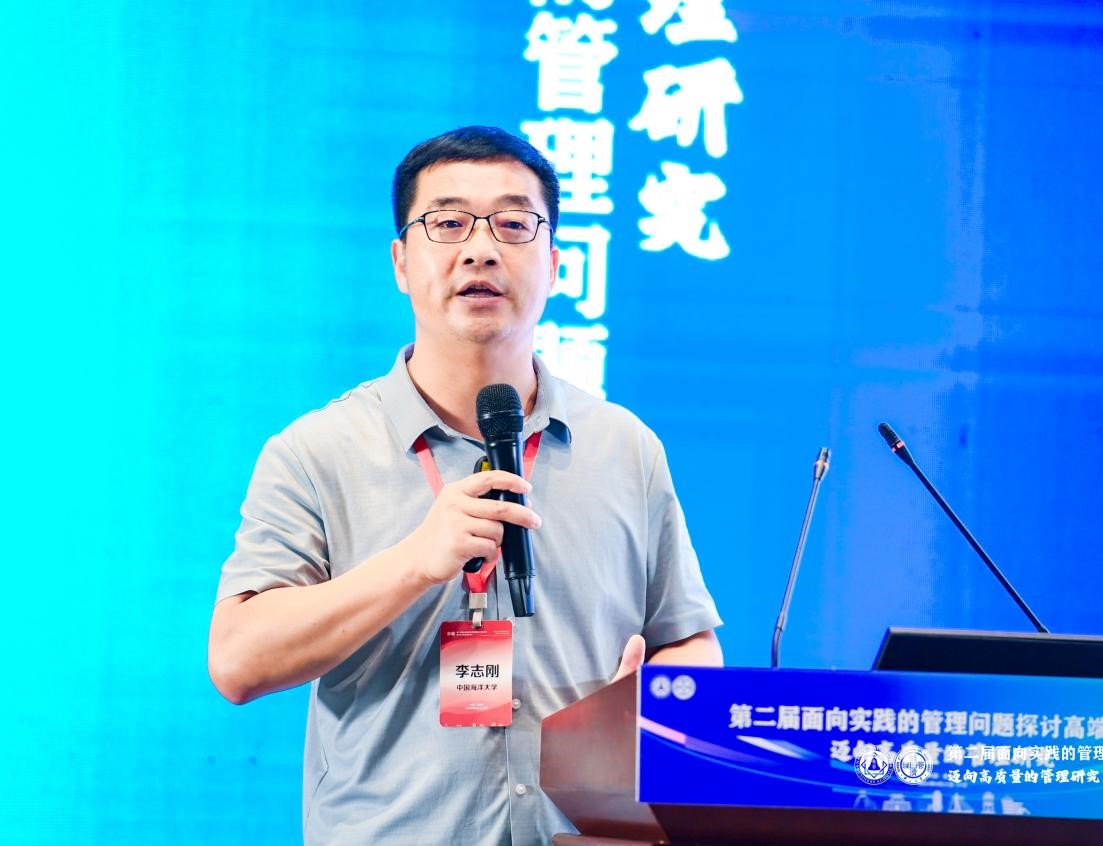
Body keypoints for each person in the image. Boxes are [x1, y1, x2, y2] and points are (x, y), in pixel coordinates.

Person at [208, 125, 723, 845]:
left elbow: (689, 641)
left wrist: (654, 707)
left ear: (555, 263)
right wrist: (414, 563)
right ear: (400, 261)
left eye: (513, 224)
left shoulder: (624, 448)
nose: (480, 249)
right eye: (448, 223)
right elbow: (238, 662)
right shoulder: (316, 452)